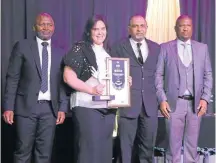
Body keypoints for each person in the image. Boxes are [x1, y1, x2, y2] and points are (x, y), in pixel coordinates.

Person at [2, 13, 68, 163]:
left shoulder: (60, 51)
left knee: (44, 155)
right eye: (42, 24)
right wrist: (8, 107)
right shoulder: (23, 46)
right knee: (22, 151)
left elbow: (62, 82)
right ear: (34, 27)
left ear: (54, 28)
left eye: (49, 24)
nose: (46, 27)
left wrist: (63, 108)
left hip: (50, 110)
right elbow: (12, 78)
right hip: (25, 109)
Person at [155, 15, 213, 163]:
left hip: (196, 105)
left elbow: (208, 75)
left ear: (192, 28)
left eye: (188, 25)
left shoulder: (202, 48)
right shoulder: (165, 48)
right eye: (182, 25)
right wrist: (162, 99)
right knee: (172, 147)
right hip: (174, 104)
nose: (185, 28)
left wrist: (205, 99)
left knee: (192, 147)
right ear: (176, 28)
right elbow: (158, 75)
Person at [63, 15, 117, 163]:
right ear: (89, 31)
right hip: (87, 107)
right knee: (88, 153)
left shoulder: (109, 53)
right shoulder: (79, 48)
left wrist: (125, 82)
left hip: (108, 109)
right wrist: (91, 90)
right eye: (95, 29)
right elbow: (68, 77)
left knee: (104, 154)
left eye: (103, 29)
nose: (100, 32)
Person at [111, 15, 160, 163]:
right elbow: (111, 73)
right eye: (135, 26)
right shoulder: (118, 47)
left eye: (142, 26)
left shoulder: (156, 48)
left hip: (150, 106)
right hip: (128, 105)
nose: (139, 29)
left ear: (146, 28)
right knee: (125, 148)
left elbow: (160, 75)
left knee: (147, 148)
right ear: (129, 28)